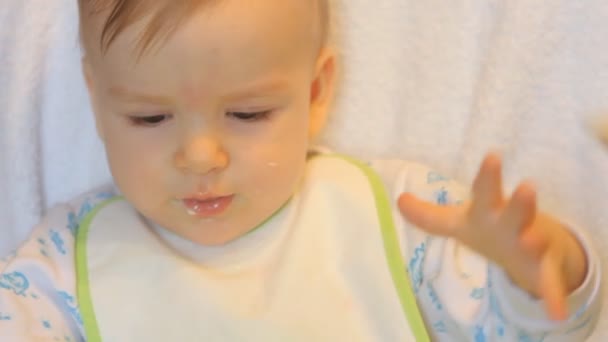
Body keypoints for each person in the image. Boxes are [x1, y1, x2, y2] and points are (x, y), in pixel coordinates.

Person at [0, 0, 601, 340]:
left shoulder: (402, 217)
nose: (201, 157)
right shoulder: (61, 266)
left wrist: (539, 267)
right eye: (149, 119)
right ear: (98, 102)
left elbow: (515, 328)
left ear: (316, 93)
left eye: (247, 112)